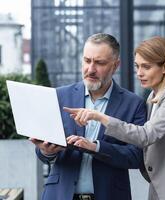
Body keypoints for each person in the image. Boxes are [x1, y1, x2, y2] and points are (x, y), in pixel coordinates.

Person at [64, 36, 165, 200]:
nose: (139, 73)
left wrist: (99, 116)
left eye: (146, 67)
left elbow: (145, 135)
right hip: (161, 188)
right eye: (137, 66)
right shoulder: (153, 98)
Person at [30, 33, 147, 200]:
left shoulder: (134, 104)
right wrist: (46, 151)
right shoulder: (58, 96)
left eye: (99, 63)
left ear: (115, 65)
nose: (91, 69)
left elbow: (136, 157)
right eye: (87, 60)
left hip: (110, 195)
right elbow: (42, 152)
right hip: (59, 195)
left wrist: (96, 147)